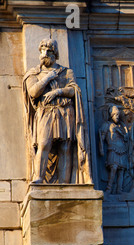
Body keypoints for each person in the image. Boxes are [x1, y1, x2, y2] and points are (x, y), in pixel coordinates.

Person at [23, 38, 92, 184]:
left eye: (48, 51)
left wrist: (58, 91)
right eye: (42, 51)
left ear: (55, 54)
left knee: (65, 147)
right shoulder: (34, 73)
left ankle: (65, 182)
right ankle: (38, 177)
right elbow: (33, 92)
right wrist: (47, 78)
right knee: (44, 144)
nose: (45, 54)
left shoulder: (66, 72)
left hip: (65, 112)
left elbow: (74, 91)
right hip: (45, 112)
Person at [98, 106, 128, 194]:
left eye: (118, 115)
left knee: (121, 170)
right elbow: (102, 138)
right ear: (111, 115)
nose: (117, 117)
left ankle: (119, 189)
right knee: (113, 168)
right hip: (113, 148)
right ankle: (109, 188)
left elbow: (125, 139)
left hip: (122, 149)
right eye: (116, 115)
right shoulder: (107, 125)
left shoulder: (121, 126)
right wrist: (101, 149)